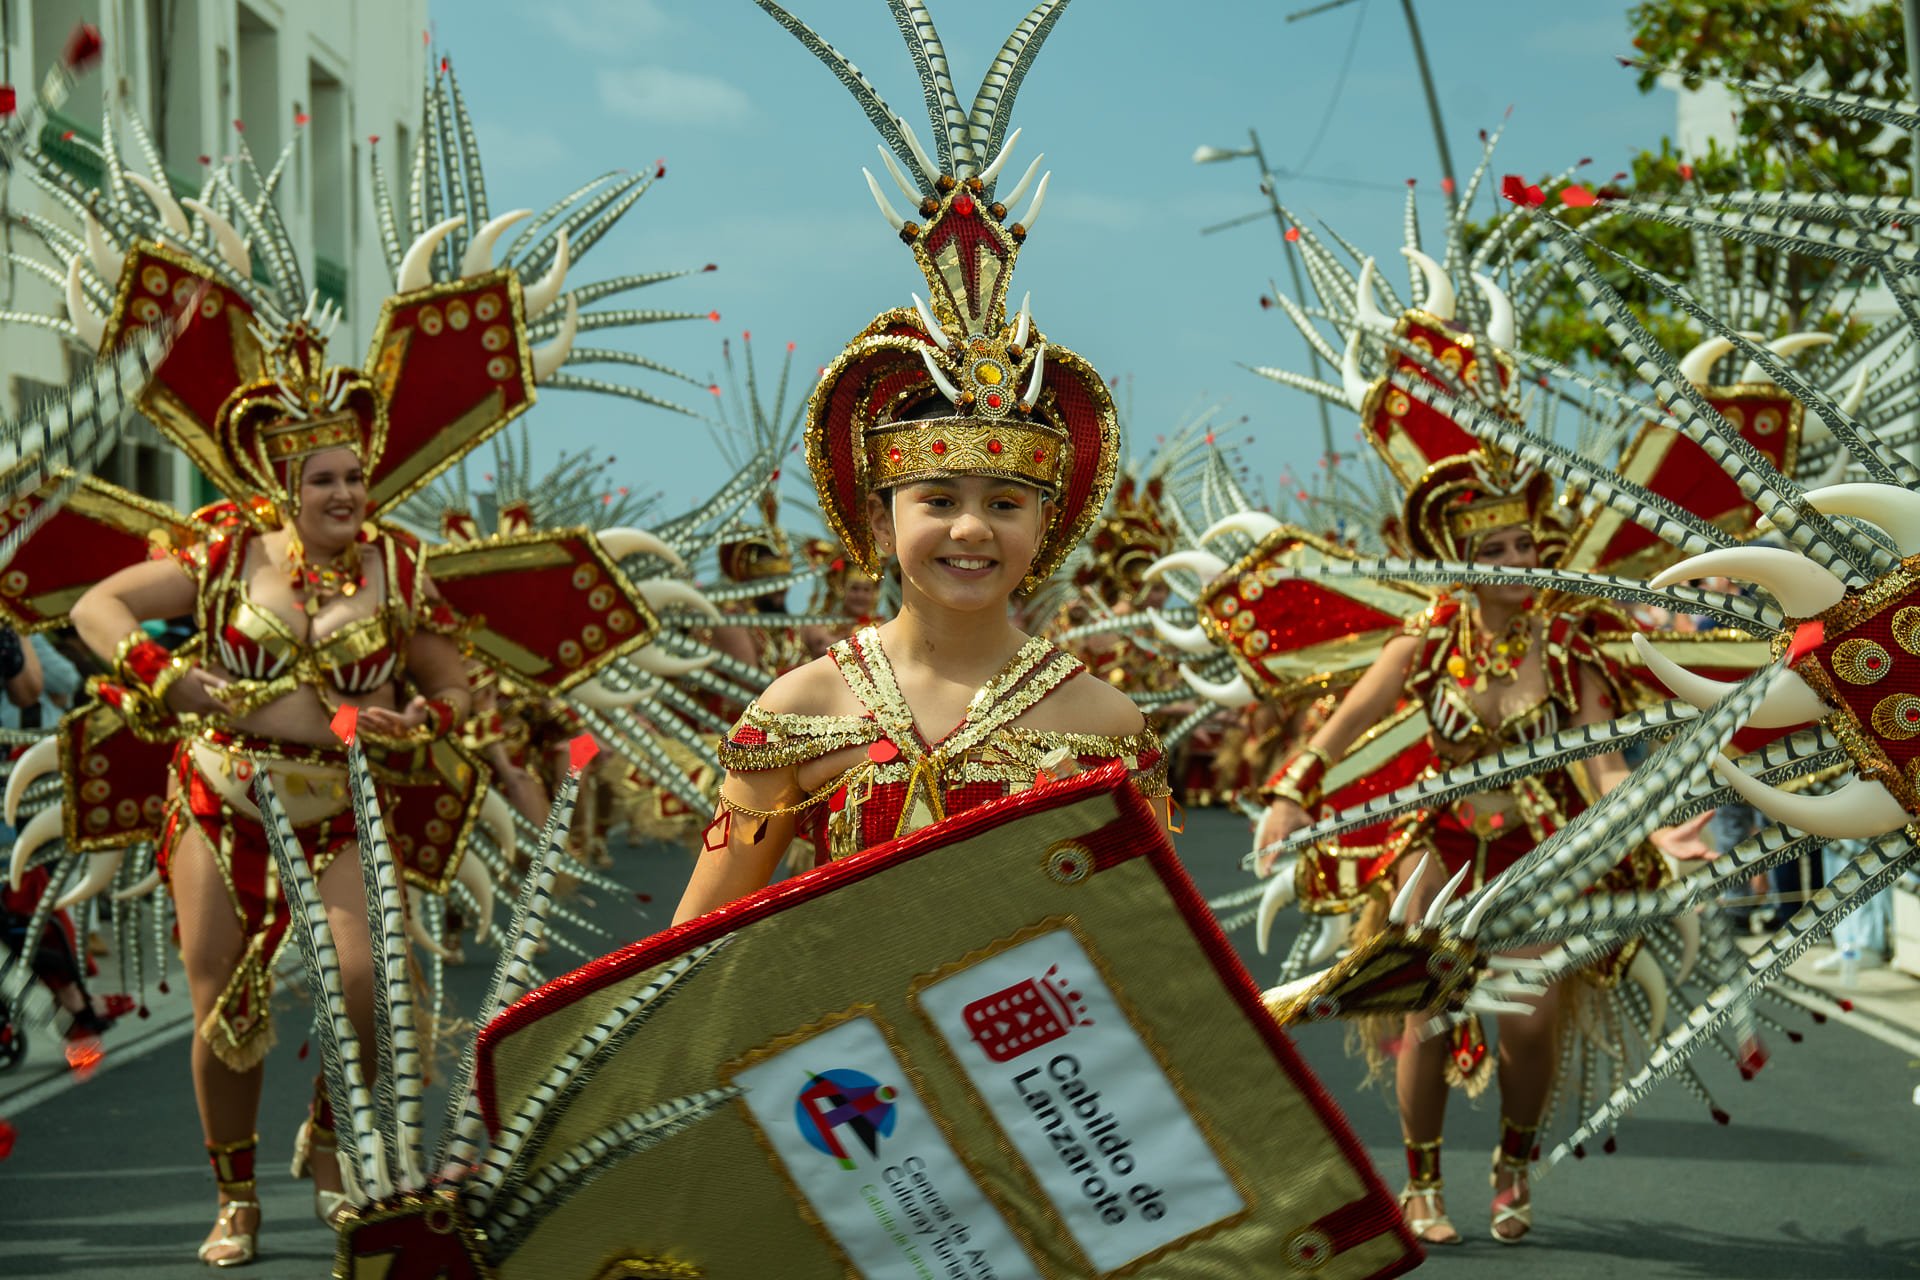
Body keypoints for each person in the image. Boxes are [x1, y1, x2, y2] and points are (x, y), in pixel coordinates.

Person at [674, 170, 1167, 917]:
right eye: (938, 500)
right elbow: (693, 945)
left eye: (1005, 503)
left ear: (1043, 524)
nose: (971, 529)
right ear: (880, 522)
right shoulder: (803, 707)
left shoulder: (1104, 723)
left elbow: (1157, 956)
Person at [71, 363, 470, 1266]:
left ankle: (329, 1138)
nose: (343, 494)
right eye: (322, 480)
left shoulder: (398, 567)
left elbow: (453, 682)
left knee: (367, 984)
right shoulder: (224, 555)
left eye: (353, 477)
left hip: (338, 804)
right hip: (223, 798)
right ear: (285, 487)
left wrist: (422, 719)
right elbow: (100, 607)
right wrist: (169, 677)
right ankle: (236, 1196)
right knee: (223, 1009)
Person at [1252, 451, 1668, 1246]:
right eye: (1495, 551)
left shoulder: (1567, 645)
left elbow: (1606, 760)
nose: (1519, 563)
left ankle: (1513, 1164)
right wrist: (1288, 790)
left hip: (1529, 847)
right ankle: (1421, 1181)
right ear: (1461, 564)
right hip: (1436, 843)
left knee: (1532, 1018)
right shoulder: (1428, 643)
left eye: (1526, 545)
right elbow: (1345, 722)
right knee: (1425, 1011)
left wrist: (1647, 819)